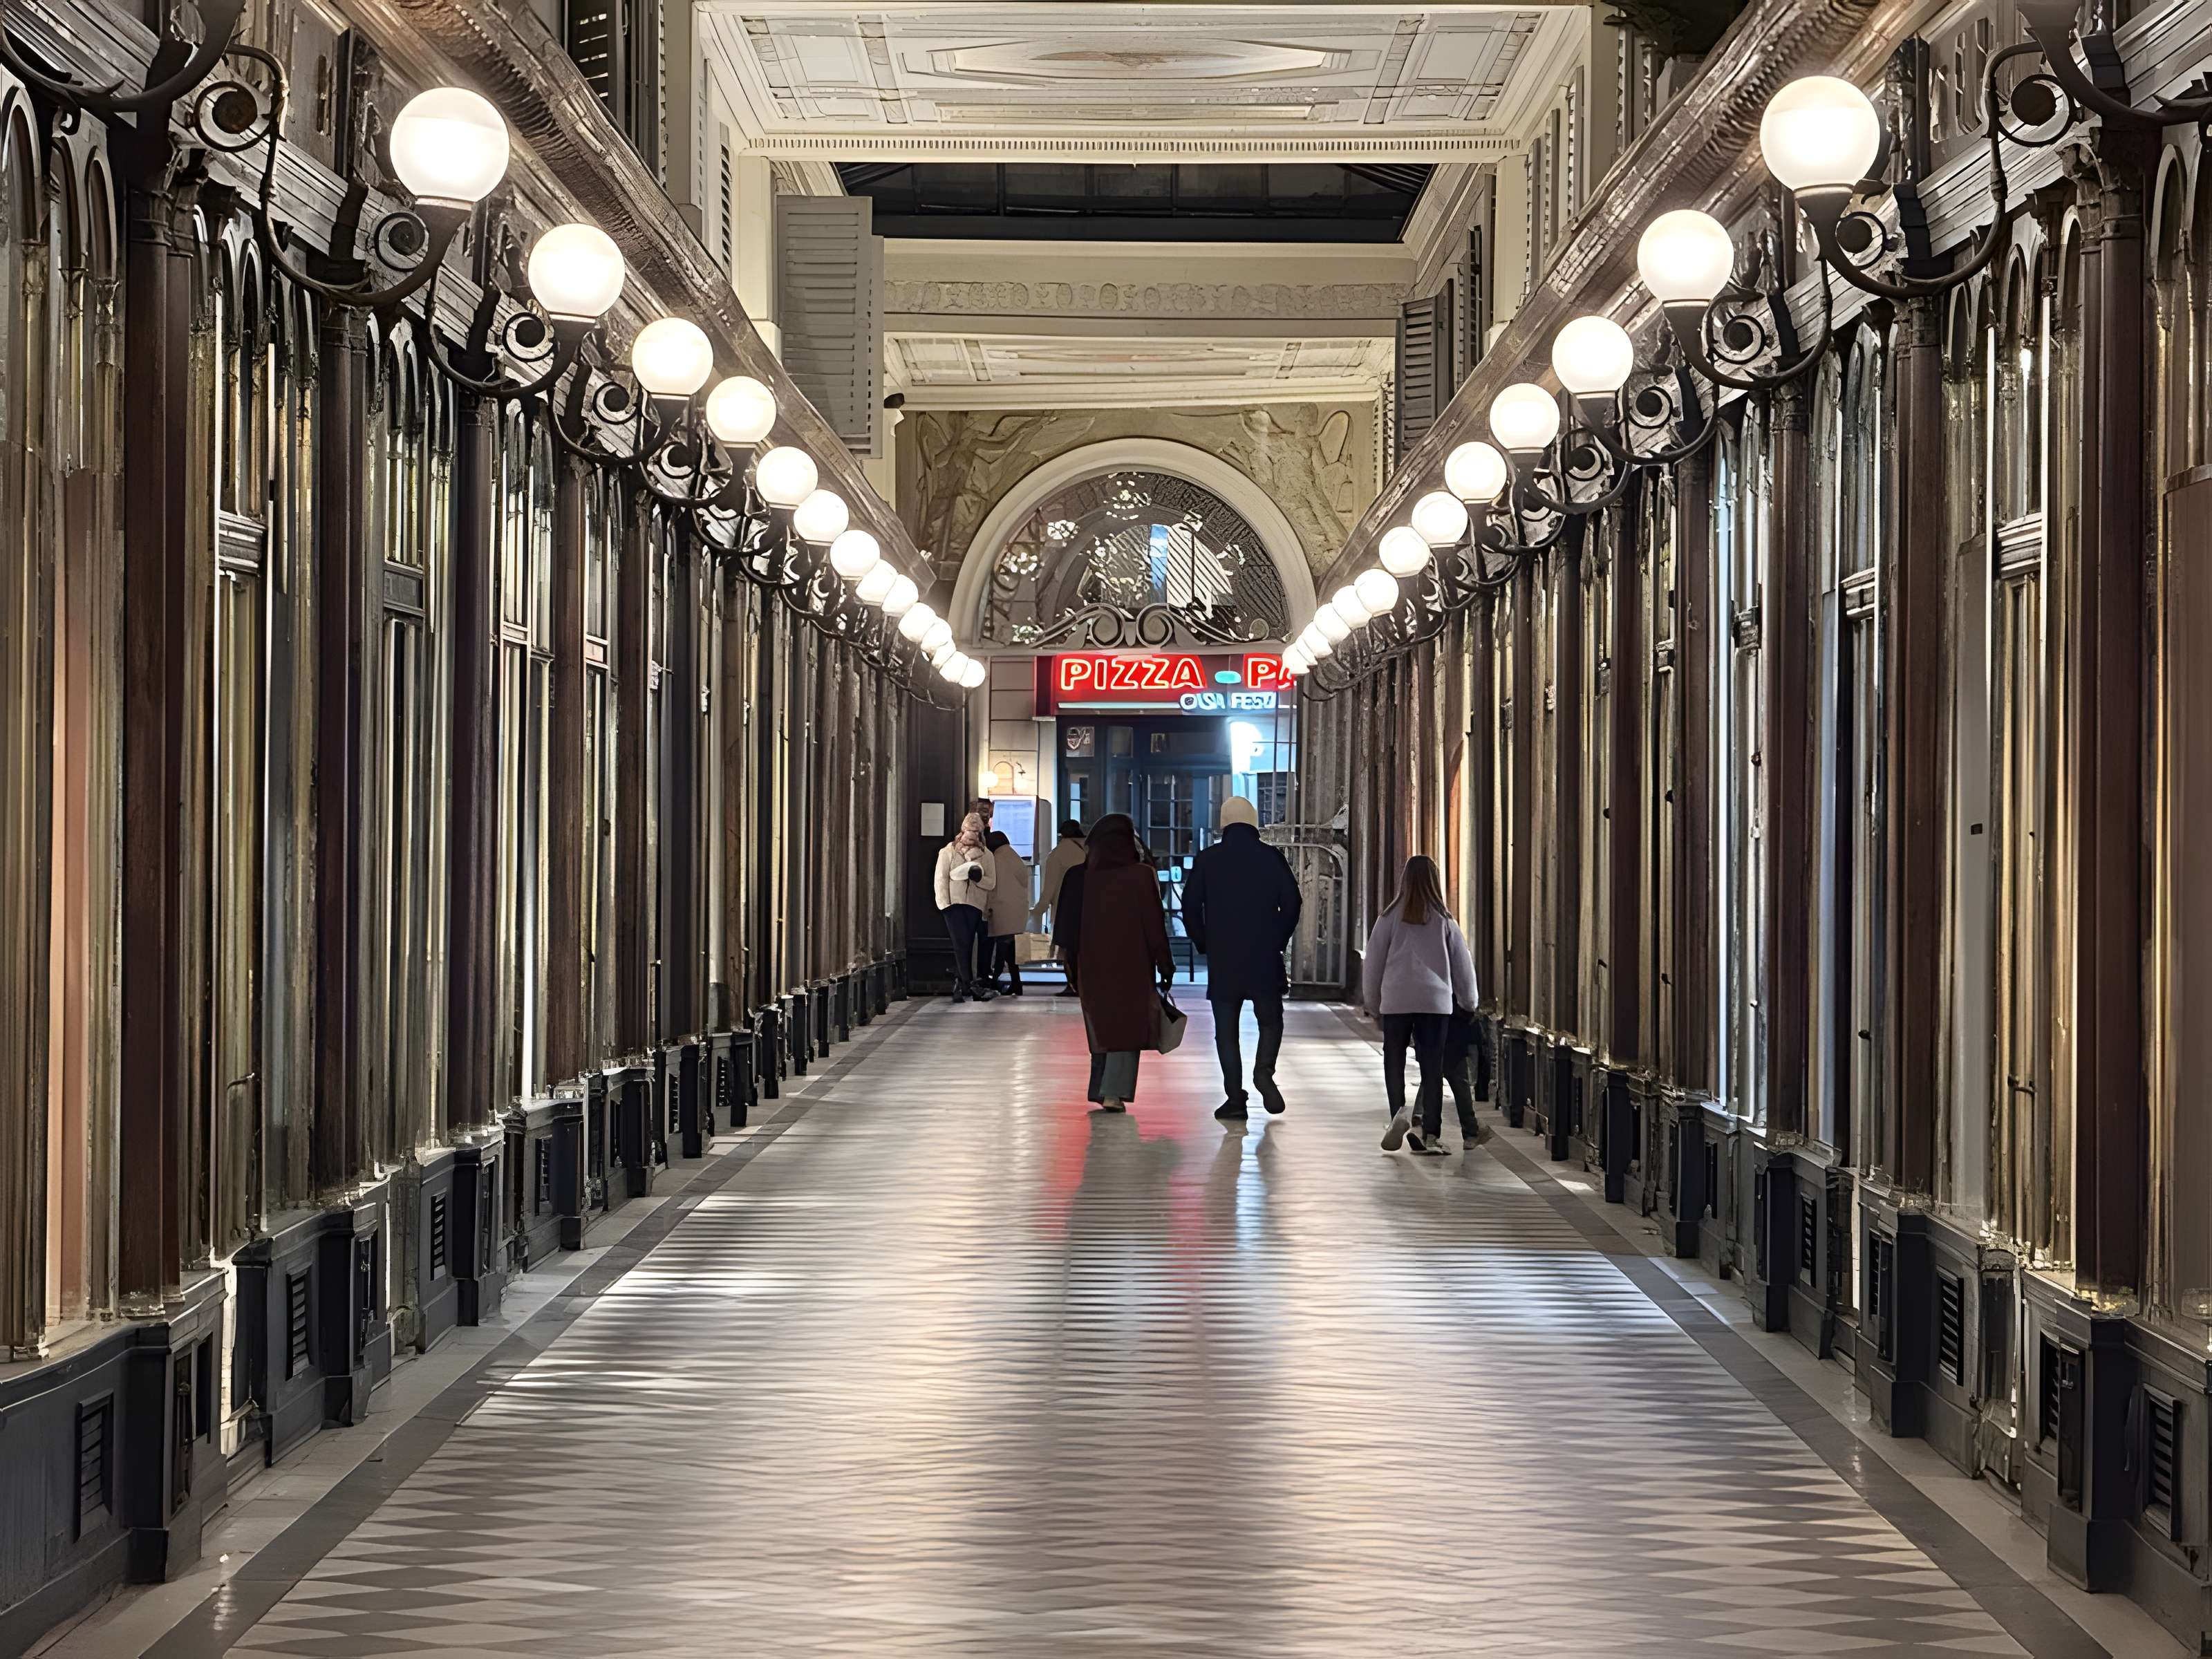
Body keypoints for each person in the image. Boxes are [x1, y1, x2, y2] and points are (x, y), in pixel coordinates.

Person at [1183, 796, 1302, 1121]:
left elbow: (1190, 907)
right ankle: (1264, 1071)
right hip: (1264, 955)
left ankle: (1235, 1099)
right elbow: (1293, 903)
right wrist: (1277, 939)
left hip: (1224, 958)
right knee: (1270, 1020)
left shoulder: (1208, 860)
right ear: (1253, 823)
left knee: (1226, 1031)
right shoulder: (1271, 858)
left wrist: (1204, 942)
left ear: (1224, 824)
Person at [1053, 814, 1174, 1112]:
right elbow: (1154, 925)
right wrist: (1165, 964)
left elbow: (1065, 927)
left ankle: (1100, 1087)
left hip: (1090, 964)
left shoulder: (1078, 876)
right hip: (1132, 965)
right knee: (1127, 1027)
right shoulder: (1140, 875)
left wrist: (1070, 967)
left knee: (1101, 1025)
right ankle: (1113, 1091)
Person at [1361, 854, 1479, 1156]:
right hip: (1435, 1003)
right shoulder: (1444, 920)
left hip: (1397, 1000)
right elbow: (1462, 964)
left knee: (1394, 1061)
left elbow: (1373, 963)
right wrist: (1469, 1002)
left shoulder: (1388, 918)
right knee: (1431, 1066)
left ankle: (1398, 1115)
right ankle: (1430, 1134)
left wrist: (1374, 1003)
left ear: (1405, 880)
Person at [933, 812, 997, 1003]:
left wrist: (978, 878)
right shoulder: (948, 852)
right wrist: (944, 904)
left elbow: (991, 882)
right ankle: (968, 984)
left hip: (974, 904)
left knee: (967, 944)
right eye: (968, 832)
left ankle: (960, 984)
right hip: (953, 904)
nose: (971, 837)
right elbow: (941, 878)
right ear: (962, 832)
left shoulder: (987, 856)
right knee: (960, 944)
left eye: (975, 833)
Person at [1031, 818, 1088, 997]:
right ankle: (1082, 984)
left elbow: (1049, 889)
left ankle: (1071, 985)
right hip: (1087, 907)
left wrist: (1036, 912)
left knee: (1068, 949)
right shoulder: (1087, 851)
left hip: (1064, 908)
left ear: (1061, 835)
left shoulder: (1057, 855)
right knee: (1081, 949)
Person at [984, 830, 1031, 996]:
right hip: (1017, 911)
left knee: (1003, 950)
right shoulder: (1014, 857)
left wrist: (986, 908)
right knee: (1011, 952)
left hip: (1002, 910)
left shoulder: (997, 859)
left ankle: (994, 981)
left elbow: (992, 887)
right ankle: (1015, 984)